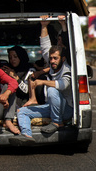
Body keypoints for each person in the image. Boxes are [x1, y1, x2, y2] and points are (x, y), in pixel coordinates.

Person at [9, 17, 73, 146]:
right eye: (51, 59)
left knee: (52, 90)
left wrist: (41, 82)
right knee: (22, 111)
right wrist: (44, 26)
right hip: (52, 107)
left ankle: (56, 122)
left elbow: (62, 85)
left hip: (67, 109)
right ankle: (26, 135)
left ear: (63, 58)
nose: (53, 61)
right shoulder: (51, 64)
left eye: (55, 58)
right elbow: (45, 47)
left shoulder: (67, 68)